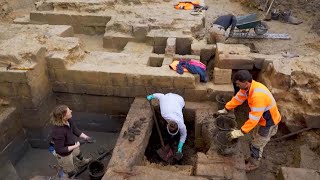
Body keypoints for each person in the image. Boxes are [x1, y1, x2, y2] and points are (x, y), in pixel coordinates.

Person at [217, 70, 281, 171]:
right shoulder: (247, 88)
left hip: (268, 122)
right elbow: (237, 99)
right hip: (261, 119)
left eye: (238, 83)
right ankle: (252, 156)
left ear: (245, 82)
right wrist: (226, 109)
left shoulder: (258, 96)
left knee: (258, 143)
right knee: (254, 138)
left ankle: (254, 163)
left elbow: (253, 119)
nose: (237, 85)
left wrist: (240, 131)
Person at [50, 105, 92, 177]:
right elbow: (60, 149)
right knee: (69, 169)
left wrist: (86, 137)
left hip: (70, 143)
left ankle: (83, 161)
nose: (71, 111)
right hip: (63, 153)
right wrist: (78, 144)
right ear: (63, 116)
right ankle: (68, 175)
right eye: (69, 111)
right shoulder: (58, 131)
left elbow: (75, 130)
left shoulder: (69, 120)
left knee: (77, 152)